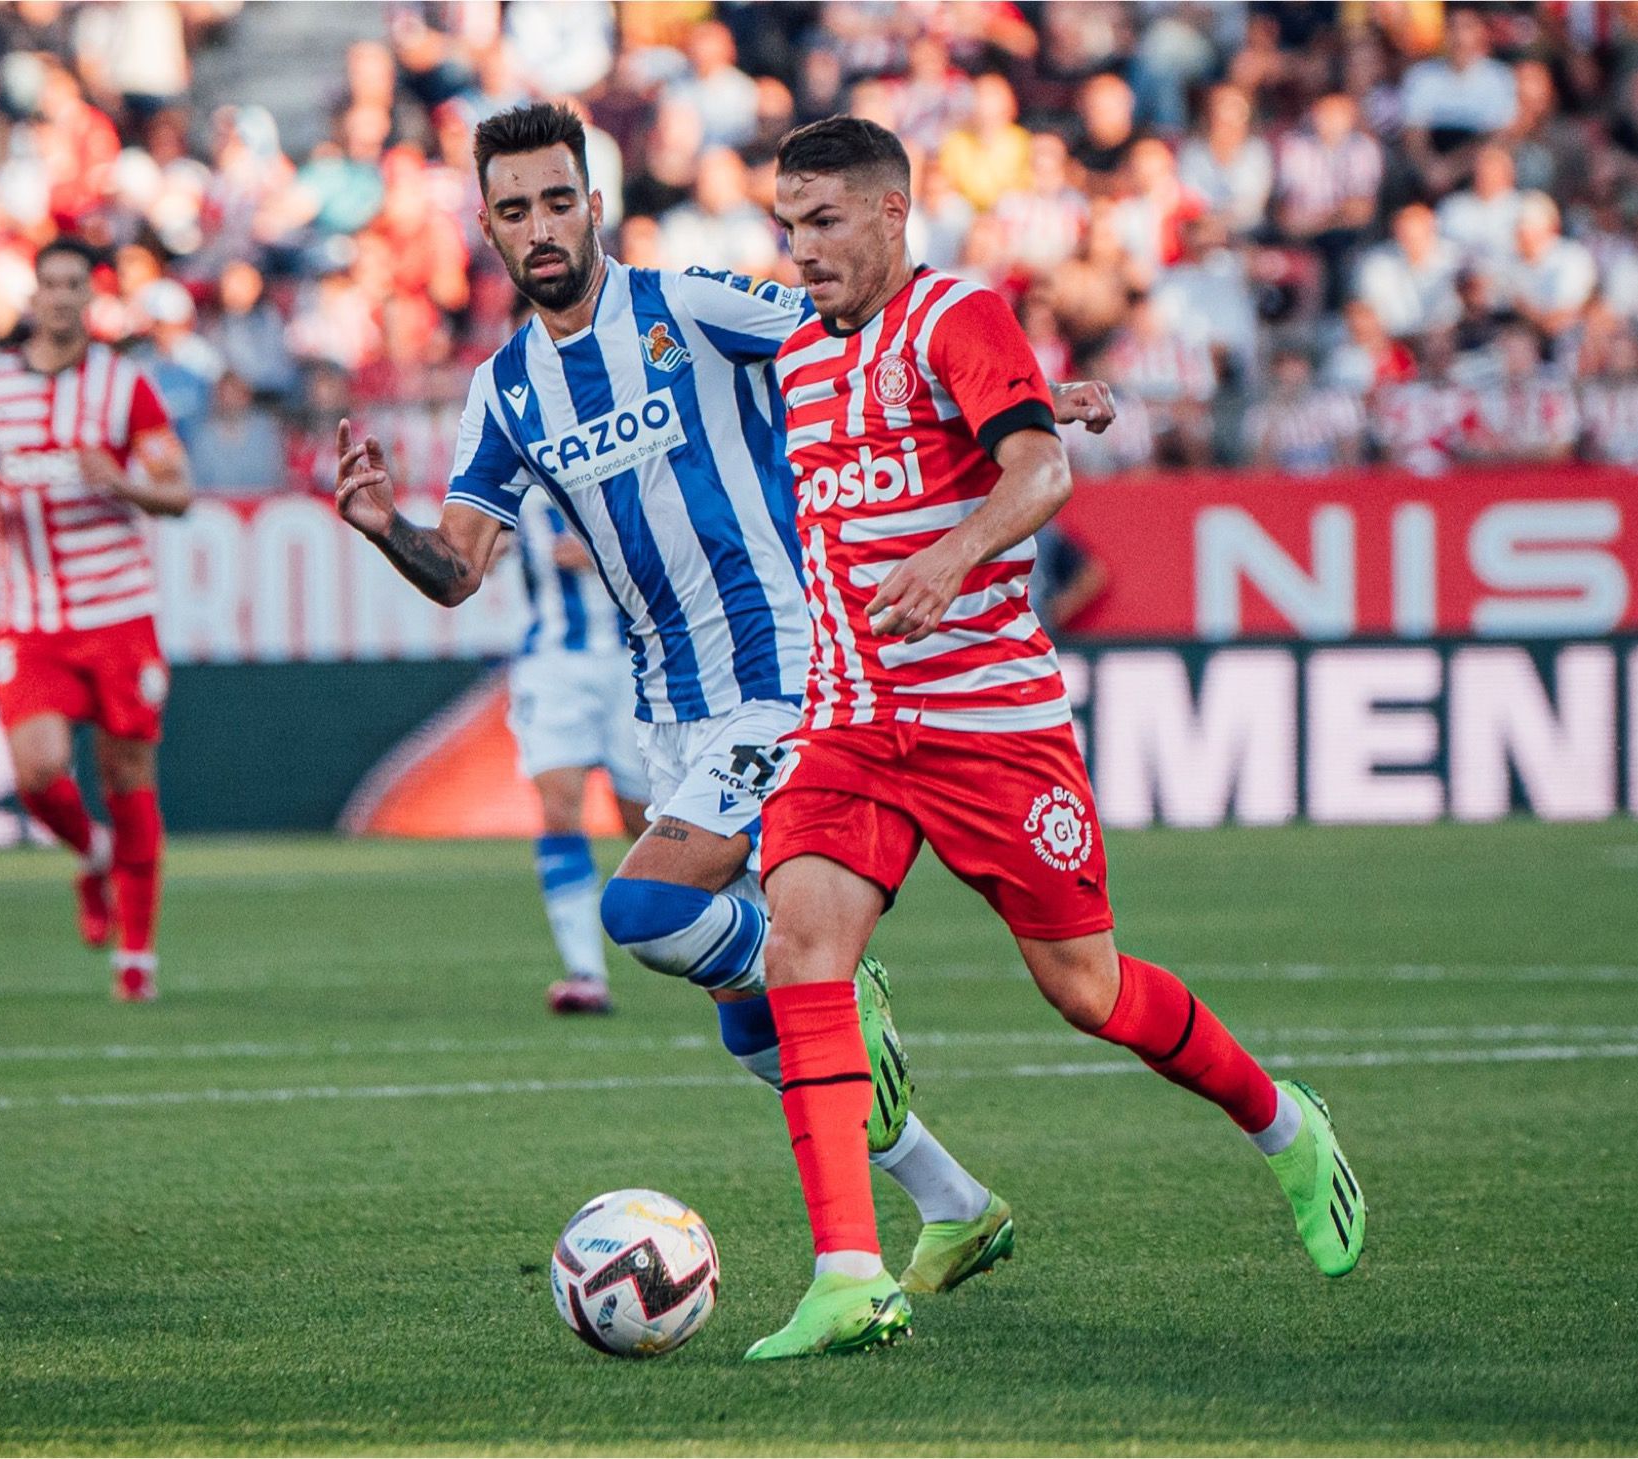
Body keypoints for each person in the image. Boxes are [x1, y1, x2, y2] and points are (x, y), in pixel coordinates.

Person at [330, 103, 1105, 1293]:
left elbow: (869, 329)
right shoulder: (505, 393)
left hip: (787, 672)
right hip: (672, 714)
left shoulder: (688, 305)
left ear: (594, 203)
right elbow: (458, 568)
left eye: (556, 199)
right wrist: (386, 526)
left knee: (640, 915)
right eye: (512, 208)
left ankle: (834, 976)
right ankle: (955, 1203)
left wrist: (1036, 394)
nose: (539, 226)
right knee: (750, 1028)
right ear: (485, 228)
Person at [746, 117, 1366, 1361]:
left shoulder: (954, 315)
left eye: (822, 224)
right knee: (798, 954)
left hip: (993, 732)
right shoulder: (798, 357)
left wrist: (952, 549)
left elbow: (1038, 478)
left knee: (1088, 991)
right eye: (785, 225)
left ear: (888, 215)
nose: (800, 251)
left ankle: (1281, 1125)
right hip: (854, 724)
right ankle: (846, 1275)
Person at [0, 237, 194, 1001]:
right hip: (30, 618)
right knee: (37, 769)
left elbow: (179, 491)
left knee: (130, 779)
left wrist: (121, 482)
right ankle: (91, 858)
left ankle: (139, 957)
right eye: (48, 285)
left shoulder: (126, 389)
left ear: (90, 299)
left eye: (72, 286)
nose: (59, 299)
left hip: (119, 614)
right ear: (33, 297)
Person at [506, 485, 651, 1014]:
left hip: (632, 660)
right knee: (558, 807)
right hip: (552, 662)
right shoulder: (513, 466)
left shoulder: (620, 456)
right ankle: (586, 973)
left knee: (646, 818)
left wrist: (605, 553)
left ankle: (742, 928)